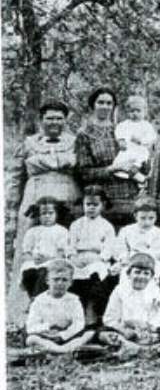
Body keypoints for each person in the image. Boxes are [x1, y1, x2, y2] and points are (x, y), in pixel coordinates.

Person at [7, 100, 81, 297]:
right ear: (41, 120)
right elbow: (15, 179)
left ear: (66, 120)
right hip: (35, 199)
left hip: (68, 200)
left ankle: (70, 303)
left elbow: (82, 172)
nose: (54, 122)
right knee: (32, 250)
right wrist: (11, 208)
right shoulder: (29, 143)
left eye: (59, 118)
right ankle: (24, 304)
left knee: (66, 248)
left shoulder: (76, 142)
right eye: (49, 118)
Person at [75, 87, 142, 225]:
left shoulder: (123, 129)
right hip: (101, 198)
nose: (105, 106)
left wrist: (137, 165)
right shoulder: (85, 134)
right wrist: (112, 169)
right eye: (101, 102)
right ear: (93, 105)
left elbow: (142, 158)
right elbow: (84, 173)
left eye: (109, 103)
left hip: (128, 194)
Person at [98, 253, 160, 353]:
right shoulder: (120, 290)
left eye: (146, 274)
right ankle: (139, 348)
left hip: (147, 332)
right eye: (137, 272)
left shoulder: (155, 292)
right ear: (129, 274)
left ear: (152, 276)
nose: (141, 277)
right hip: (124, 331)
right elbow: (110, 318)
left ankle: (134, 347)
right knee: (102, 332)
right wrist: (123, 329)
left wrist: (149, 328)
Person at [25, 259, 96, 353]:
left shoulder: (74, 300)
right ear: (47, 281)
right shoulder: (39, 301)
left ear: (70, 283)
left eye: (64, 280)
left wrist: (63, 335)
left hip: (67, 335)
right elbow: (31, 326)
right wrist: (47, 327)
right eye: (56, 279)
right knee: (31, 339)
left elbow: (78, 323)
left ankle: (58, 349)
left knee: (89, 334)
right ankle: (62, 350)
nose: (60, 283)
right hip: (46, 335)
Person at [68, 186, 116, 323]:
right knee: (73, 276)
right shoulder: (76, 225)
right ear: (83, 205)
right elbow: (70, 244)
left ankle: (92, 312)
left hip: (97, 259)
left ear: (102, 206)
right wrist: (73, 257)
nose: (91, 208)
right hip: (79, 259)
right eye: (88, 204)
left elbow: (109, 248)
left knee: (97, 277)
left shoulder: (107, 226)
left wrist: (100, 258)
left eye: (95, 205)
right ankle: (76, 313)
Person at [19, 196, 70, 299]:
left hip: (53, 261)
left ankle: (36, 299)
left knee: (44, 272)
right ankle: (33, 297)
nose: (47, 216)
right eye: (43, 214)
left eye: (50, 213)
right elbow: (26, 252)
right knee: (28, 273)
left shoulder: (62, 231)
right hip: (34, 261)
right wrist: (33, 258)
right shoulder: (32, 231)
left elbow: (62, 252)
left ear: (56, 214)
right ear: (39, 215)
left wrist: (48, 259)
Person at [113, 196, 160, 287]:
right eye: (143, 218)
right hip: (130, 260)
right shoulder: (126, 230)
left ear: (156, 217)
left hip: (150, 261)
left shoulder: (159, 233)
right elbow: (120, 248)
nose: (147, 222)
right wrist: (123, 258)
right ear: (135, 215)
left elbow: (157, 252)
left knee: (153, 275)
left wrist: (144, 260)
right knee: (125, 275)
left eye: (151, 218)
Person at [110, 95, 158, 184]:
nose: (135, 113)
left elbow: (152, 138)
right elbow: (119, 132)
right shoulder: (124, 124)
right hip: (127, 151)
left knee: (138, 163)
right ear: (127, 112)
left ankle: (141, 179)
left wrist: (141, 141)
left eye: (138, 111)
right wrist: (121, 140)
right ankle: (139, 179)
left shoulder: (146, 125)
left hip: (140, 151)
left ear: (144, 112)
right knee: (120, 165)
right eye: (132, 111)